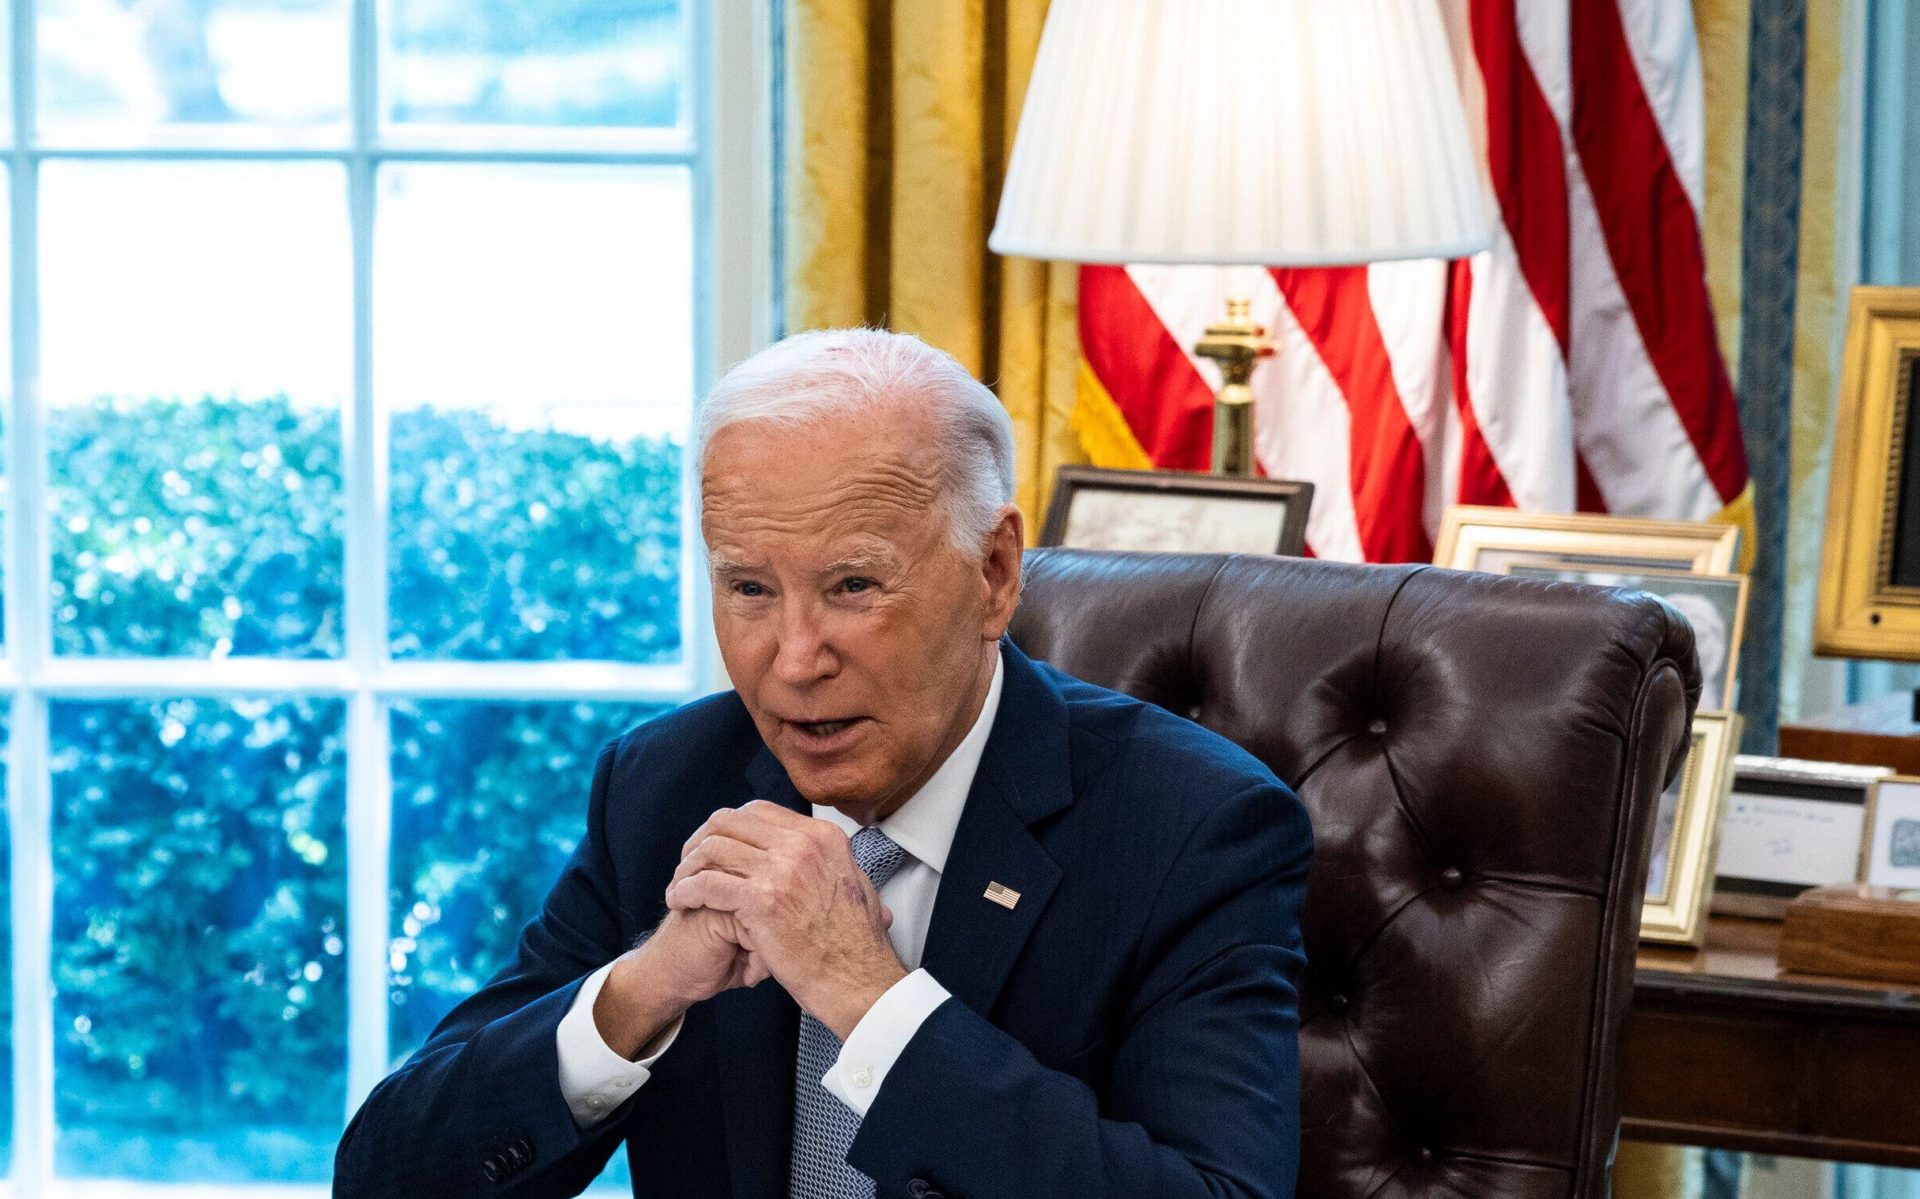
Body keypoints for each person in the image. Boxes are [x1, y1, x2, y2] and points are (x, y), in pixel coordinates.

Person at [333, 328, 1314, 1199]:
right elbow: (384, 1175)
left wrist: (869, 996)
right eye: (750, 587)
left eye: (853, 584)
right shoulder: (666, 785)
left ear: (994, 573)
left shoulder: (1190, 826)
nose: (794, 658)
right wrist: (644, 990)